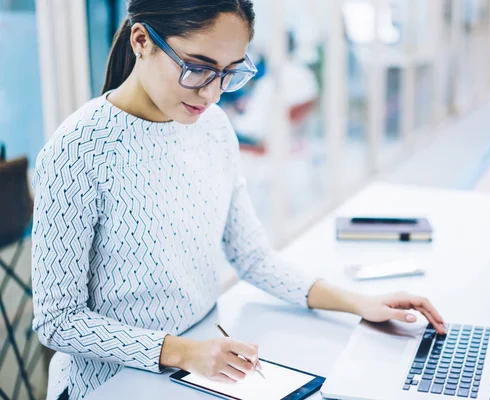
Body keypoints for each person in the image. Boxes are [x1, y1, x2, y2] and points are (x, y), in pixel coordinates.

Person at [31, 1, 445, 399]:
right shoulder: (78, 150)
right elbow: (58, 321)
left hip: (198, 360)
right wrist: (180, 352)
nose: (212, 94)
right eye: (197, 68)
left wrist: (359, 303)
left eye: (230, 73)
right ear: (142, 41)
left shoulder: (212, 128)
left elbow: (253, 257)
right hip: (112, 384)